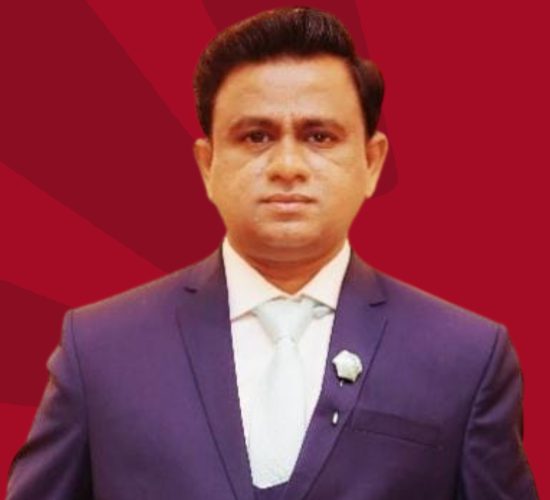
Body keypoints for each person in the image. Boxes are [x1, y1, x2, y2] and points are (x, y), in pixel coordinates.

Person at [6, 7, 538, 500]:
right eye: (256, 136)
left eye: (319, 137)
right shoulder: (100, 350)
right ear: (207, 164)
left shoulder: (465, 357)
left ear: (372, 162)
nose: (287, 166)